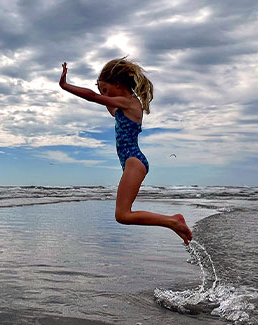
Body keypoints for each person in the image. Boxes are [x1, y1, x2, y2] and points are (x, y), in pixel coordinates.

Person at [59, 58, 193, 244]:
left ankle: (172, 221)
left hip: (133, 160)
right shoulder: (123, 105)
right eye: (102, 91)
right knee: (122, 214)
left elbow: (93, 97)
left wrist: (65, 85)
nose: (104, 94)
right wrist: (102, 88)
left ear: (117, 83)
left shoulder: (128, 102)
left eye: (105, 90)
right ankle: (172, 222)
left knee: (122, 215)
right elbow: (106, 104)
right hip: (132, 162)